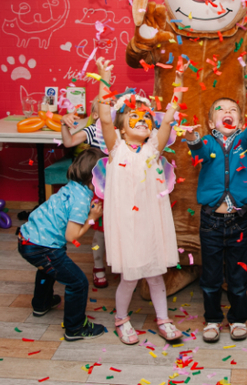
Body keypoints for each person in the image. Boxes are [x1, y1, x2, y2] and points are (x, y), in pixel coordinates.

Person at [96, 59, 183, 345]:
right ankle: (122, 319)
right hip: (126, 225)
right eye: (134, 116)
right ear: (122, 129)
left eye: (146, 117)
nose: (143, 120)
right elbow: (105, 118)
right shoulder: (116, 147)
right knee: (130, 278)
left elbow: (168, 119)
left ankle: (163, 319)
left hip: (152, 223)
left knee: (156, 276)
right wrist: (104, 79)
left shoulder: (153, 149)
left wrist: (179, 84)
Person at [186, 95, 247, 342]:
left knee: (238, 276)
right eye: (221, 109)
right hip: (211, 223)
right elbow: (200, 153)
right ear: (211, 123)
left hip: (238, 222)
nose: (227, 111)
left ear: (240, 122)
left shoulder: (243, 143)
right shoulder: (207, 142)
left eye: (233, 110)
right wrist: (192, 139)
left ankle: (238, 318)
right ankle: (212, 319)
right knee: (210, 276)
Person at [17, 147, 106, 341]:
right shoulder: (81, 201)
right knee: (78, 283)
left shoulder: (72, 187)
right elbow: (72, 236)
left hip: (27, 238)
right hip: (42, 246)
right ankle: (75, 327)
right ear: (95, 180)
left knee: (47, 269)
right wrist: (92, 218)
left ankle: (41, 304)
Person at [61, 98, 108, 289]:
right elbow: (69, 142)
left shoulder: (122, 130)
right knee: (100, 231)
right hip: (99, 187)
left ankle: (121, 265)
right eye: (105, 107)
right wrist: (64, 125)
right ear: (95, 115)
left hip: (120, 186)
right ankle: (98, 266)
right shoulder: (93, 130)